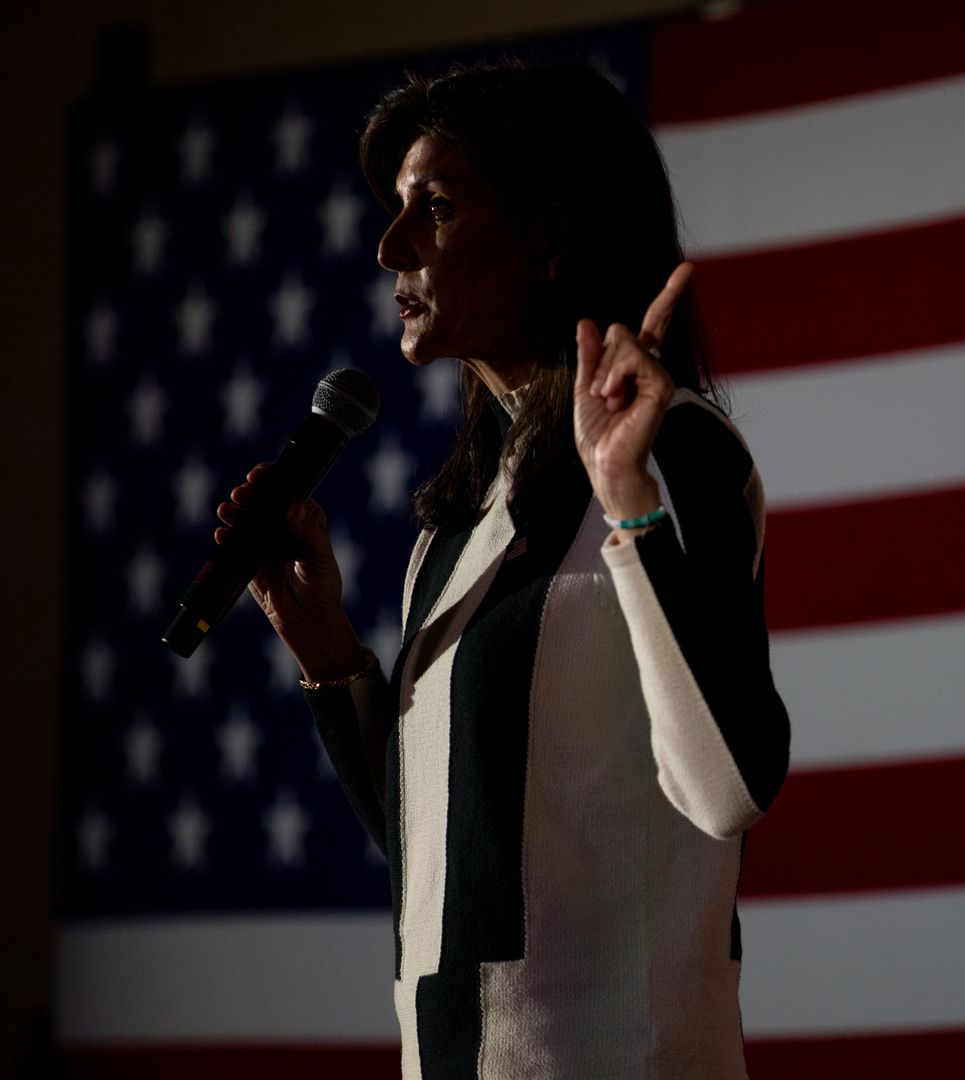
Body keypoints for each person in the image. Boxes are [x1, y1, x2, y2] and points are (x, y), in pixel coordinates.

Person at [212, 60, 790, 1079]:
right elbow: (452, 864)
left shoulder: (675, 453)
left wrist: (627, 500)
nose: (390, 247)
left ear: (550, 234)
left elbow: (729, 786)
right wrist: (332, 659)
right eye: (396, 212)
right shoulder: (454, 523)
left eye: (433, 209)